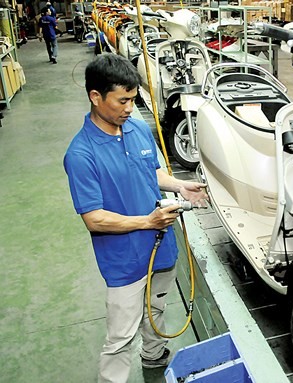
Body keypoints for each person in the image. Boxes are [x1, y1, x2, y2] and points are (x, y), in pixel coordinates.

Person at [63, 53, 208, 383]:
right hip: (125, 261)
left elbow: (151, 171)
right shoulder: (81, 154)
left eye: (132, 99)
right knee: (120, 337)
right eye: (123, 100)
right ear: (95, 97)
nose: (129, 107)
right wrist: (147, 222)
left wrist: (181, 185)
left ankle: (154, 353)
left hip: (162, 251)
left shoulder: (138, 129)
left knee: (155, 311)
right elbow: (94, 218)